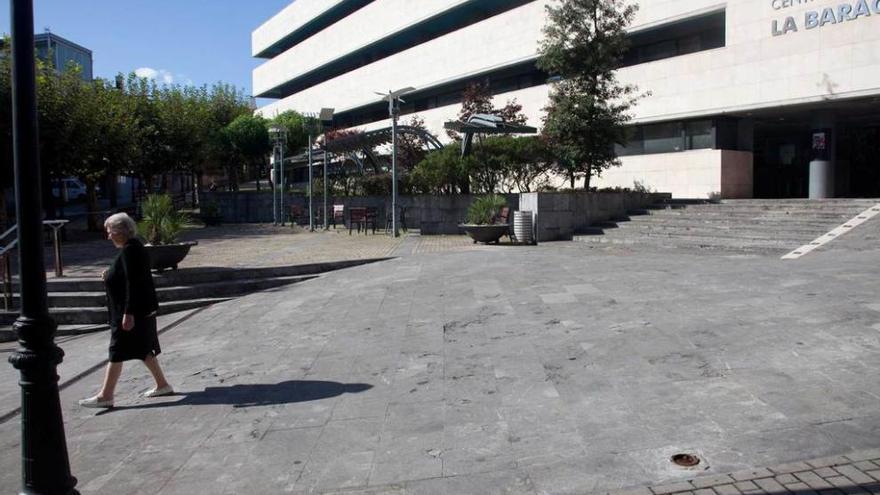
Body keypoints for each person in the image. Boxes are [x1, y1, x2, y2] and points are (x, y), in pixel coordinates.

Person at [79, 213, 173, 408]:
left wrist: (128, 313)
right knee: (143, 348)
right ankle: (162, 385)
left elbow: (134, 282)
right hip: (136, 310)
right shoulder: (132, 248)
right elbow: (128, 276)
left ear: (120, 232)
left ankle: (106, 396)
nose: (108, 236)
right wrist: (110, 274)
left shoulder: (130, 250)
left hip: (129, 312)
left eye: (110, 232)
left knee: (117, 352)